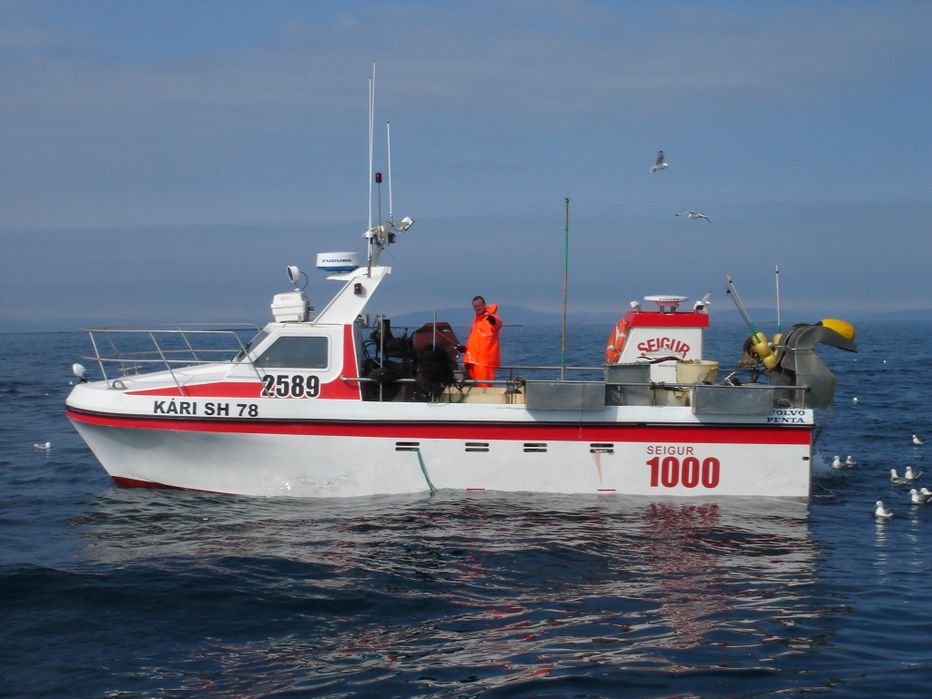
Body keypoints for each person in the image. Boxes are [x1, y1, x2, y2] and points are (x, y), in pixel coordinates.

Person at [462, 295, 502, 387]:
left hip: (485, 362)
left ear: (484, 305)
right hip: (472, 361)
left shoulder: (490, 318)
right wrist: (465, 349)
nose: (477, 308)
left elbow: (498, 323)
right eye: (475, 307)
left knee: (484, 388)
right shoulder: (476, 321)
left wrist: (493, 321)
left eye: (479, 306)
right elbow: (474, 340)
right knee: (474, 388)